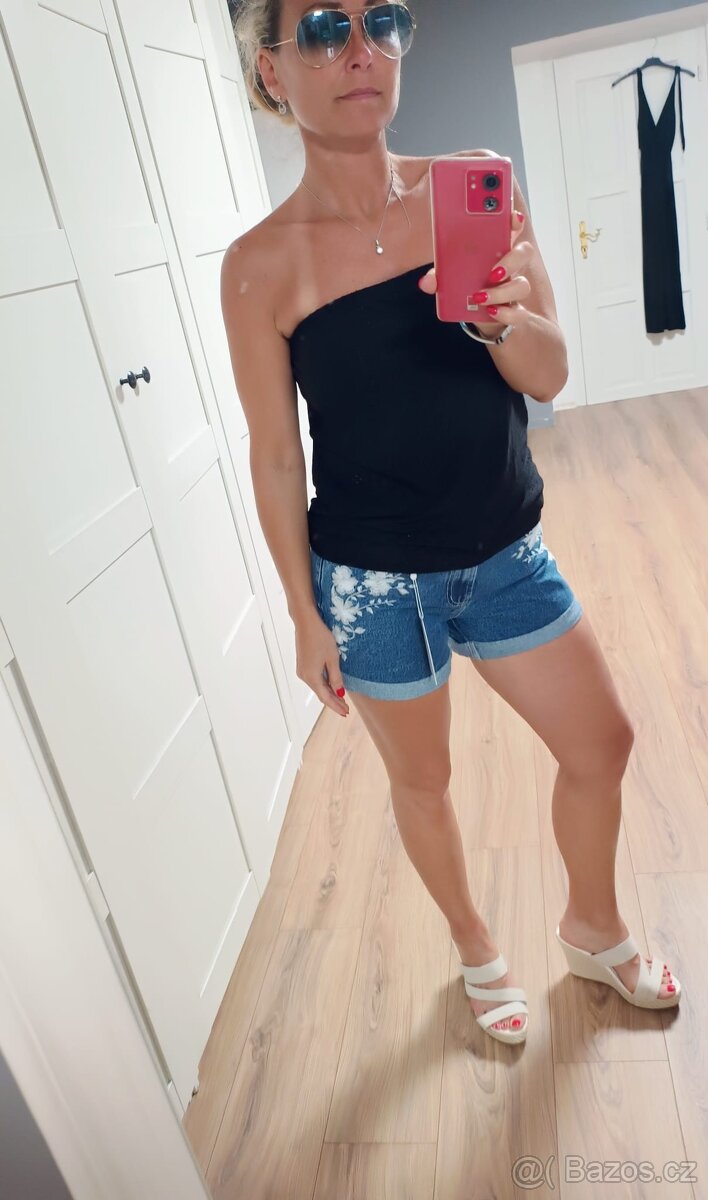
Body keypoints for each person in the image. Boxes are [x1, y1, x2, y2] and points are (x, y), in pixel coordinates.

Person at [221, 0, 681, 1045]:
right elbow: (276, 454)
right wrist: (301, 613)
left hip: (507, 551)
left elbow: (549, 375)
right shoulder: (259, 265)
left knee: (603, 743)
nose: (362, 51)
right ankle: (477, 951)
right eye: (325, 28)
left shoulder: (476, 185)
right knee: (423, 782)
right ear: (272, 74)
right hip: (375, 584)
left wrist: (500, 321)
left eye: (382, 20)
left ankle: (594, 929)